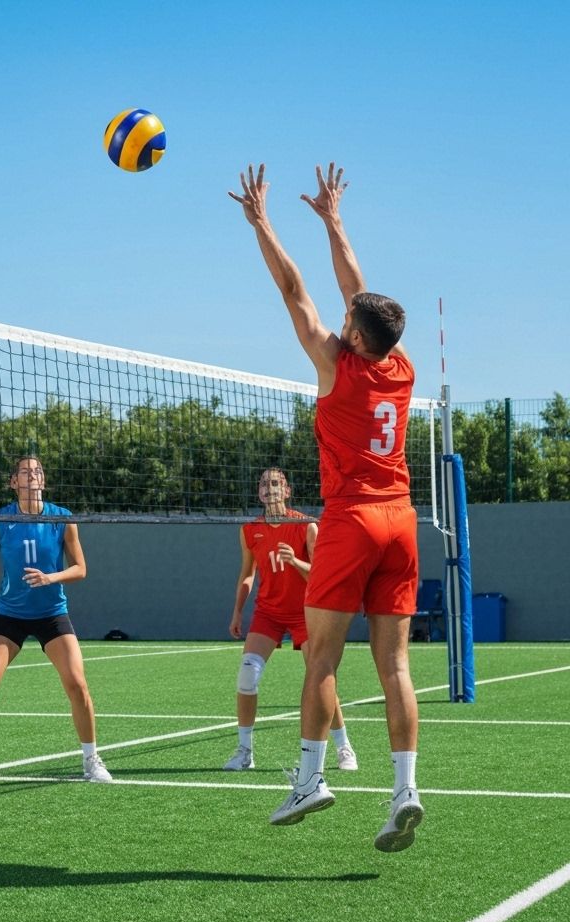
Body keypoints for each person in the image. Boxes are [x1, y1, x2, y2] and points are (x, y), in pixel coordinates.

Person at [229, 163, 423, 852]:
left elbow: (294, 290)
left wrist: (262, 223)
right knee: (395, 668)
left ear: (359, 338)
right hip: (402, 521)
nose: (341, 321)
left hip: (352, 520)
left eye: (349, 322)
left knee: (322, 660)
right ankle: (405, 790)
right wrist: (334, 221)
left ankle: (310, 779)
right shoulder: (400, 366)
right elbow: (354, 290)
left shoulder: (336, 364)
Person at [0, 455, 113, 789]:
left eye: (37, 471)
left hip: (52, 613)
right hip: (10, 614)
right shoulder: (0, 520)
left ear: (44, 481)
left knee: (77, 684)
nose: (32, 475)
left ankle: (91, 760)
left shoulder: (62, 519)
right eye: (25, 472)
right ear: (14, 482)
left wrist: (50, 577)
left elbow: (80, 568)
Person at [224, 466, 357, 773]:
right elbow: (247, 575)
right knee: (247, 675)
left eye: (276, 483)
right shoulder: (250, 531)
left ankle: (344, 747)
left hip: (305, 612)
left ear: (287, 491)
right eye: (264, 484)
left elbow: (321, 576)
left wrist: (294, 561)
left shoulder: (306, 526)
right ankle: (245, 751)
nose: (270, 488)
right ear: (259, 493)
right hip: (268, 613)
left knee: (321, 677)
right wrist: (237, 611)